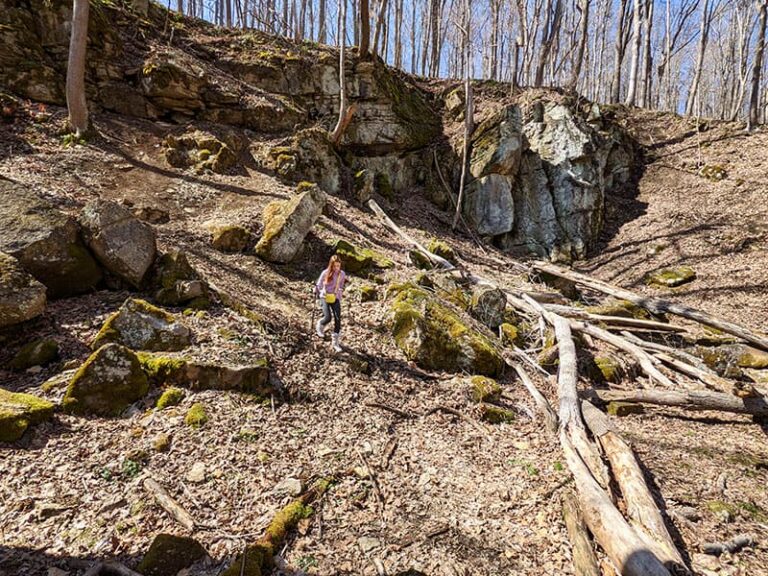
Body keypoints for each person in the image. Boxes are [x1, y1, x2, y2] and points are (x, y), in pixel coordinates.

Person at [314, 254, 347, 352]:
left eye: (338, 265)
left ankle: (335, 342)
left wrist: (340, 290)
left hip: (335, 297)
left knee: (338, 319)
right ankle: (320, 324)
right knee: (328, 317)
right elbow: (319, 284)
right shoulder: (325, 273)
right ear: (331, 265)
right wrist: (316, 290)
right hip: (324, 297)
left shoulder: (342, 274)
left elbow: (341, 285)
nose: (337, 268)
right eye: (335, 266)